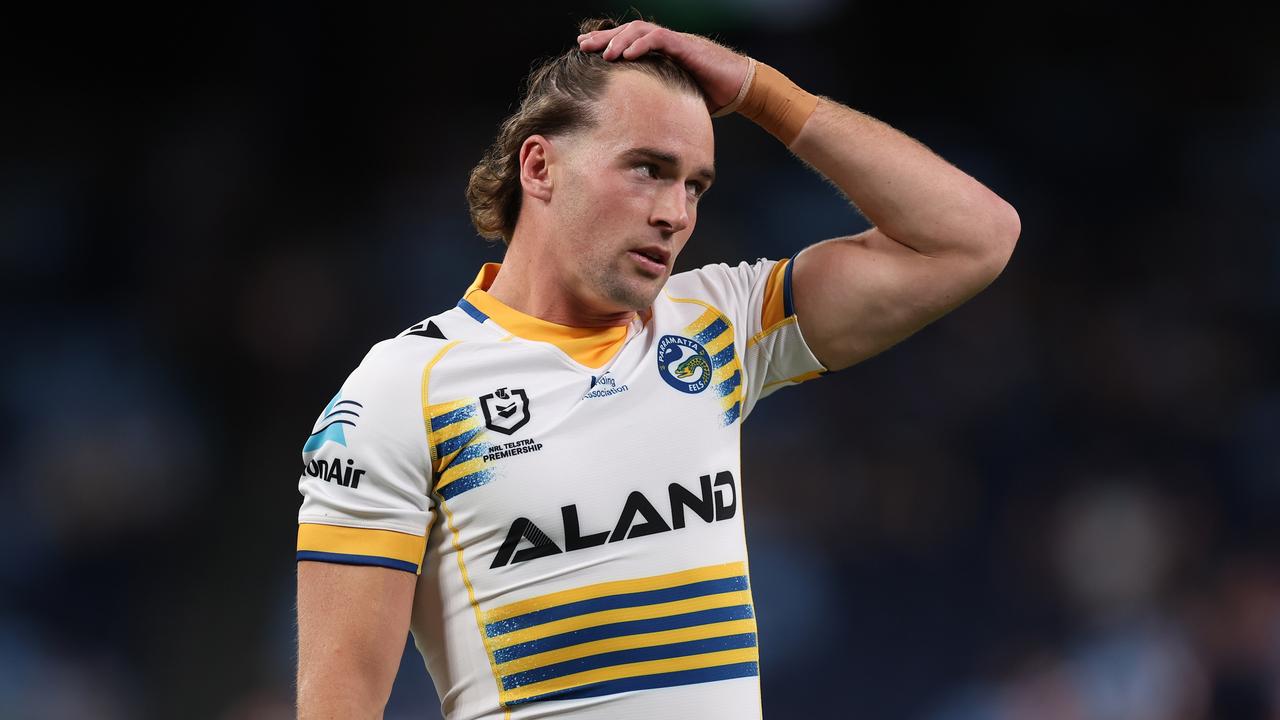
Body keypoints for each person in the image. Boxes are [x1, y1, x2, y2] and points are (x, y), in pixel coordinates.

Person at [295, 17, 1019, 719]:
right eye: (648, 169)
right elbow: (340, 701)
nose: (676, 213)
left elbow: (974, 239)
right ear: (540, 166)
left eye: (696, 186)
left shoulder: (716, 324)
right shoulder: (405, 390)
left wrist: (762, 93)